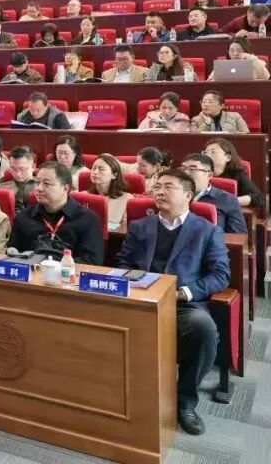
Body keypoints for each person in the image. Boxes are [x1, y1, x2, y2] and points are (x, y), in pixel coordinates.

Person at [115, 169, 228, 436]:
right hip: (141, 299)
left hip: (182, 304)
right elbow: (123, 263)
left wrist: (185, 293)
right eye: (157, 187)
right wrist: (133, 283)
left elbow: (220, 275)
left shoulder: (207, 230)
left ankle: (185, 401)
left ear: (188, 195)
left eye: (168, 187)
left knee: (203, 328)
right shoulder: (140, 226)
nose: (160, 192)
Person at [8, 161, 104, 264]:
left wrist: (55, 267)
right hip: (31, 272)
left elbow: (92, 262)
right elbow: (13, 255)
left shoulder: (88, 219)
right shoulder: (24, 217)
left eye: (46, 183)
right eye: (37, 182)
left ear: (65, 188)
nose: (39, 188)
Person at [181, 153, 246, 234]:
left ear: (209, 175)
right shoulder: (173, 195)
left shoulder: (227, 200)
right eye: (183, 169)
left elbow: (239, 235)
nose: (185, 173)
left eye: (192, 169)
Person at [203, 138, 263, 208]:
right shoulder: (200, 173)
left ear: (228, 157)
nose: (207, 155)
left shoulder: (236, 174)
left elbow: (258, 197)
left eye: (213, 152)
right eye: (205, 152)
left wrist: (232, 201)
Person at [85, 154, 132, 230]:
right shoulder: (83, 196)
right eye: (93, 168)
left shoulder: (127, 198)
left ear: (114, 175)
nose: (95, 172)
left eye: (101, 169)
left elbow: (125, 229)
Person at [0, 146, 36, 212]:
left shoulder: (41, 186)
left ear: (33, 167)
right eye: (13, 169)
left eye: (22, 169)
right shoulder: (2, 185)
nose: (18, 174)